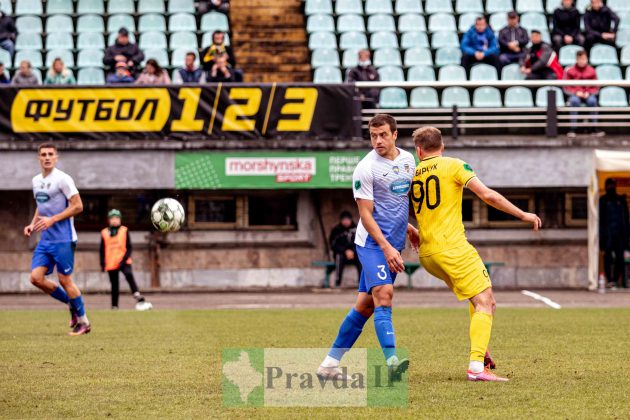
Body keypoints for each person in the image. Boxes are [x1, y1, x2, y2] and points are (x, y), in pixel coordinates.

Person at [411, 126, 541, 381]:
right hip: (452, 247)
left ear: (418, 151)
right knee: (486, 302)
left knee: (478, 299)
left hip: (428, 253)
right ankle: (476, 367)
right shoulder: (454, 165)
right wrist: (524, 214)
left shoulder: (413, 172)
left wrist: (409, 230)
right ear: (442, 146)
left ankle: (482, 354)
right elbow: (487, 195)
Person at [318, 114, 416, 382]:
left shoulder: (409, 160)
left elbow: (396, 203)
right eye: (373, 136)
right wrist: (386, 248)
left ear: (395, 134)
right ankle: (393, 362)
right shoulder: (365, 168)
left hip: (393, 244)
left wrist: (408, 228)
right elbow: (367, 215)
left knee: (364, 306)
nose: (378, 141)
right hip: (373, 244)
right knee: (384, 295)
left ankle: (328, 365)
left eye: (383, 135)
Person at [23, 143, 91, 336]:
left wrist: (52, 219)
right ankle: (71, 303)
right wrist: (32, 223)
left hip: (64, 238)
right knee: (36, 278)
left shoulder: (63, 179)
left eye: (50, 154)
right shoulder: (36, 181)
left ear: (56, 157)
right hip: (45, 240)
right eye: (43, 154)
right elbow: (41, 205)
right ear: (38, 158)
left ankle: (84, 321)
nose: (47, 157)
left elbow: (78, 206)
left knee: (64, 279)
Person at [100, 209, 149, 309]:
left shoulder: (124, 230)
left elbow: (129, 246)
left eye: (117, 218)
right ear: (109, 220)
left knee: (129, 274)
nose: (115, 220)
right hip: (111, 262)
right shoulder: (104, 232)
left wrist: (124, 258)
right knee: (114, 285)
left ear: (120, 219)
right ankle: (114, 306)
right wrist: (102, 263)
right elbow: (102, 249)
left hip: (123, 260)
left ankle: (136, 293)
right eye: (112, 218)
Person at [563, 49, 604, 138]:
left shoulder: (591, 70)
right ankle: (572, 129)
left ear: (587, 59)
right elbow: (566, 87)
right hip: (575, 95)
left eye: (584, 59)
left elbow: (596, 87)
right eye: (580, 59)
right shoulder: (570, 71)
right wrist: (576, 92)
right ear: (576, 59)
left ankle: (594, 128)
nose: (582, 61)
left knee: (593, 101)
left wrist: (588, 93)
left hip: (588, 95)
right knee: (573, 101)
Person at [599, 178, 629, 289]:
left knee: (620, 258)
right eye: (609, 186)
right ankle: (610, 280)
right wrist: (601, 238)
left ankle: (615, 279)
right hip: (608, 235)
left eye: (612, 186)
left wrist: (626, 236)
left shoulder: (621, 200)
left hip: (619, 234)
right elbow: (600, 220)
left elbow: (626, 219)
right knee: (607, 257)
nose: (611, 188)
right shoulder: (603, 201)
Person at [329, 211, 362, 288]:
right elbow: (333, 244)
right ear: (341, 220)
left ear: (351, 220)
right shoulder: (336, 230)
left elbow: (361, 243)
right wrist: (345, 251)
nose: (346, 221)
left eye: (348, 219)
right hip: (341, 254)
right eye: (344, 219)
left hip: (354, 254)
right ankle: (338, 282)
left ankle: (362, 283)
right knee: (338, 256)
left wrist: (353, 251)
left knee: (361, 256)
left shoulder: (357, 229)